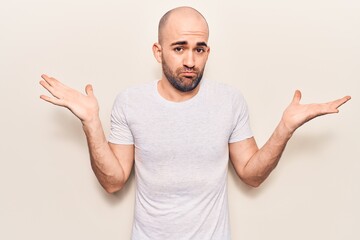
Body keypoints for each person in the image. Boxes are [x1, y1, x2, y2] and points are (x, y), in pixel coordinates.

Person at [39, 6, 351, 240]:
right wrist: (91, 122)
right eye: (179, 48)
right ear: (158, 52)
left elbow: (251, 175)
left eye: (199, 49)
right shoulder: (130, 102)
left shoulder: (229, 101)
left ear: (207, 51)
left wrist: (285, 128)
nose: (191, 60)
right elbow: (113, 181)